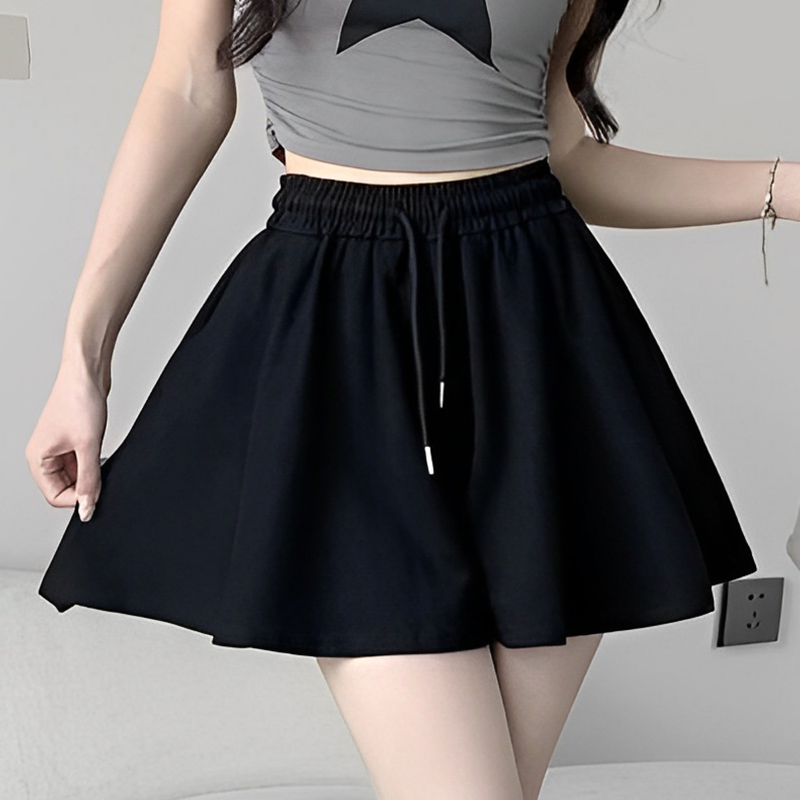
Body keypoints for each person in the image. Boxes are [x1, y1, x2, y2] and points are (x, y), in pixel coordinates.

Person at [25, 1, 795, 798]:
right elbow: (186, 89)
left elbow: (564, 155)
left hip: (540, 339)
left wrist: (785, 187)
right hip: (337, 340)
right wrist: (85, 361)